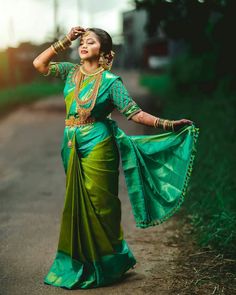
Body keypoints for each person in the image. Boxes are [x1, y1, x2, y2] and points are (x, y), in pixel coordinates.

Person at [33, 26, 199, 290]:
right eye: (82, 42)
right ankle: (80, 261)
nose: (83, 45)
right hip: (71, 143)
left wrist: (168, 124)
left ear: (104, 52)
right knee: (77, 203)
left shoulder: (111, 82)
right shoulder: (69, 71)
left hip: (99, 143)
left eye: (90, 42)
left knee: (101, 204)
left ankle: (109, 262)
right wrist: (65, 40)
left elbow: (134, 113)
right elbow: (39, 64)